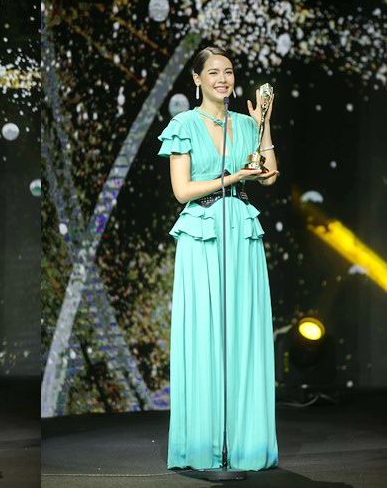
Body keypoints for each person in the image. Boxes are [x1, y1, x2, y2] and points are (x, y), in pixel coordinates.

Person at [157, 47, 279, 471]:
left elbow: (269, 176)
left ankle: (246, 444)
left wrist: (263, 125)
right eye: (213, 72)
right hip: (202, 233)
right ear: (197, 79)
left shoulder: (245, 124)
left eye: (227, 71)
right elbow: (182, 191)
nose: (222, 79)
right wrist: (233, 177)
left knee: (243, 331)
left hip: (242, 231)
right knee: (205, 331)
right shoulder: (183, 124)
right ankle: (204, 444)